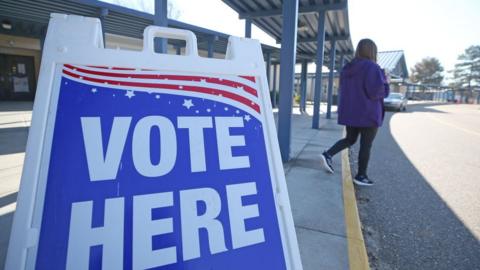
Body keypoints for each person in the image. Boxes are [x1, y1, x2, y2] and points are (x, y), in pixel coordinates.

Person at [319, 38, 389, 186]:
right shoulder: (373, 68)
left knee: (350, 139)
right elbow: (376, 92)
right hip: (368, 114)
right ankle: (361, 175)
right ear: (372, 51)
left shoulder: (348, 68)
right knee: (366, 145)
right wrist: (385, 80)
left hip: (351, 113)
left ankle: (328, 154)